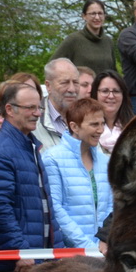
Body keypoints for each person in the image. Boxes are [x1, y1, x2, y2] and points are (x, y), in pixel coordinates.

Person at [0, 80, 53, 272]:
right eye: (30, 108)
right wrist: (20, 250)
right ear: (9, 110)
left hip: (37, 257)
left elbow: (42, 204)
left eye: (39, 107)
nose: (37, 113)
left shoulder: (28, 145)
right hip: (18, 263)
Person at [42, 96, 112, 250]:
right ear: (74, 127)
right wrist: (88, 246)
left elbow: (111, 205)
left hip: (103, 249)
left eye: (102, 123)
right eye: (94, 124)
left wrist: (104, 239)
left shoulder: (105, 161)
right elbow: (56, 209)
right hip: (71, 254)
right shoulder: (52, 159)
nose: (100, 130)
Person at [55, 0, 120, 79]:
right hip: (81, 90)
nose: (97, 17)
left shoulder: (108, 41)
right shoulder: (73, 40)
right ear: (84, 16)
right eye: (93, 14)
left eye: (100, 13)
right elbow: (53, 66)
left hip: (103, 90)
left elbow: (113, 70)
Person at [35, 57, 82, 150]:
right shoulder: (34, 121)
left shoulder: (87, 117)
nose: (72, 89)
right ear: (48, 86)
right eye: (65, 82)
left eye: (76, 82)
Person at [92, 70, 126, 147]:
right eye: (105, 91)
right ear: (95, 94)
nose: (111, 96)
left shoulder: (134, 126)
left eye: (116, 91)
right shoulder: (84, 126)